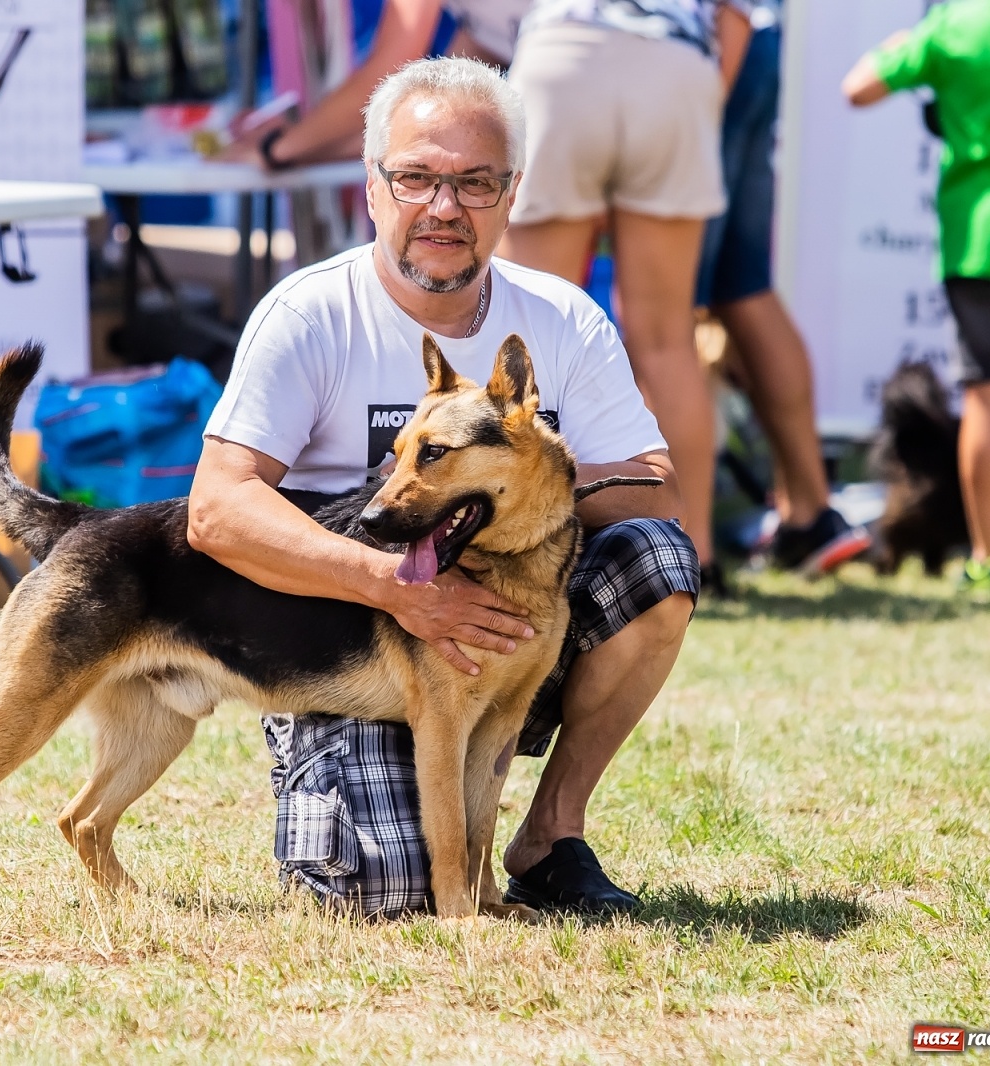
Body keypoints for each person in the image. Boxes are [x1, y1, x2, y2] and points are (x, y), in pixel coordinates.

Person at [188, 57, 699, 916]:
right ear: (373, 186)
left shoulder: (563, 318)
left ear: (512, 194)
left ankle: (550, 833)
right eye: (417, 177)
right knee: (385, 892)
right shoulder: (310, 315)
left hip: (520, 634)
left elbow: (653, 491)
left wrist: (524, 479)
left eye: (475, 182)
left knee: (658, 562)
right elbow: (216, 508)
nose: (445, 206)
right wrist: (394, 585)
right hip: (350, 638)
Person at [497, 1, 753, 592]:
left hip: (564, 54)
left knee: (526, 333)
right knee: (667, 341)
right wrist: (700, 101)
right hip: (673, 62)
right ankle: (697, 552)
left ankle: (513, 543)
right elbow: (736, 16)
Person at [844, 0, 990, 595]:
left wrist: (901, 45)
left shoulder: (957, 24)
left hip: (980, 241)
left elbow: (859, 88)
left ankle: (987, 557)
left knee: (986, 402)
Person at [697, 3, 872, 573]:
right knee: (743, 290)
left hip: (710, 48)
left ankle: (684, 542)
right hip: (751, 40)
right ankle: (811, 513)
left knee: (669, 319)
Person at [217, 0, 532, 169]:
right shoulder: (482, 26)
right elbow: (430, 129)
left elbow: (384, 77)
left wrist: (277, 149)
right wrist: (294, 148)